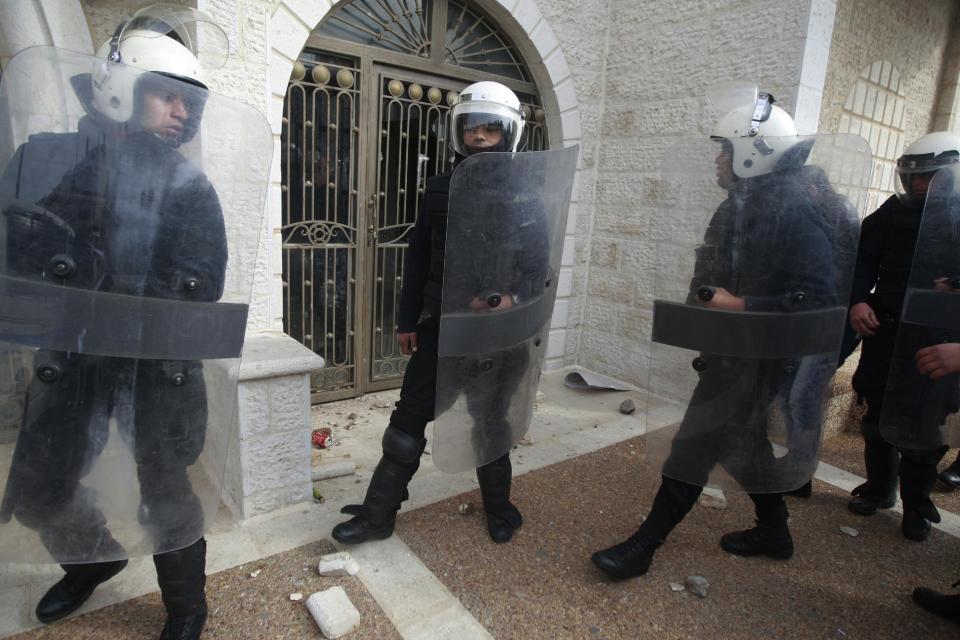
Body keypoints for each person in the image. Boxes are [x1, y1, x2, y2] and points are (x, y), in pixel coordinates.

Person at [0, 7, 257, 639]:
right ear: (121, 88)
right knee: (40, 483)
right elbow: (12, 249)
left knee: (166, 489)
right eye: (167, 97)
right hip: (75, 356)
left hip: (156, 364)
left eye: (186, 105)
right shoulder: (49, 160)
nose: (181, 113)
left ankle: (187, 609)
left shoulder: (189, 186)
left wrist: (149, 307)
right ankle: (94, 558)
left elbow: (206, 282)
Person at [591, 92, 857, 579]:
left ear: (754, 155)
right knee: (742, 445)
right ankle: (774, 531)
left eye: (726, 149)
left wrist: (741, 305)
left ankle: (644, 546)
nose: (717, 157)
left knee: (694, 445)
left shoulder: (793, 211)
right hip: (731, 350)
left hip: (763, 358)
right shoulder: (742, 205)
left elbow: (820, 300)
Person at [332, 81, 538, 544]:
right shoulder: (440, 188)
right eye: (472, 129)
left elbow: (538, 266)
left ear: (509, 134)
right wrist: (407, 321)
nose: (480, 137)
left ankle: (499, 508)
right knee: (406, 423)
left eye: (491, 128)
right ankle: (378, 514)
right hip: (442, 329)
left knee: (490, 423)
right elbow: (419, 256)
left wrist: (514, 299)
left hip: (497, 336)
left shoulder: (526, 194)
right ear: (458, 132)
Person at [846, 132, 960, 541]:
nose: (917, 185)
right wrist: (857, 301)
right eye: (911, 177)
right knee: (876, 416)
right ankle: (879, 490)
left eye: (928, 177)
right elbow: (861, 259)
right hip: (888, 329)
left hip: (938, 340)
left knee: (926, 428)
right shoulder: (893, 212)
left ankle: (916, 504)